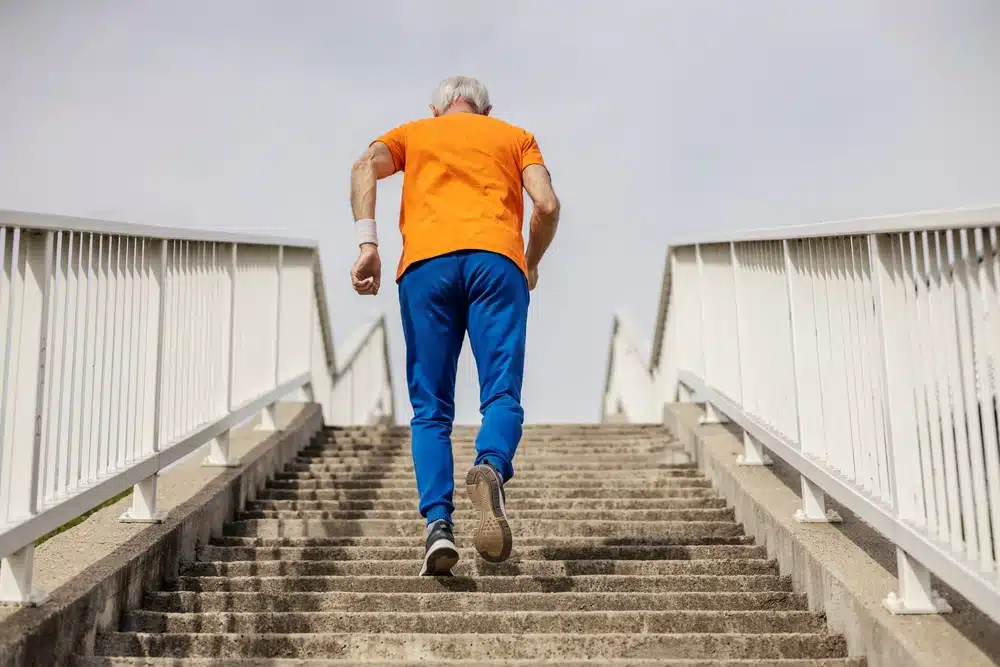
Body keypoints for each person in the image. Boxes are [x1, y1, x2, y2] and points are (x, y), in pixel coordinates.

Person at [348, 76, 560, 576]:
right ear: (486, 113)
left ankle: (438, 529)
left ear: (435, 108)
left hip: (426, 267)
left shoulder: (413, 133)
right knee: (501, 396)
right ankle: (489, 465)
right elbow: (547, 205)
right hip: (496, 263)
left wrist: (368, 244)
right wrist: (529, 262)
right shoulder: (515, 137)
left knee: (431, 409)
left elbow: (363, 167)